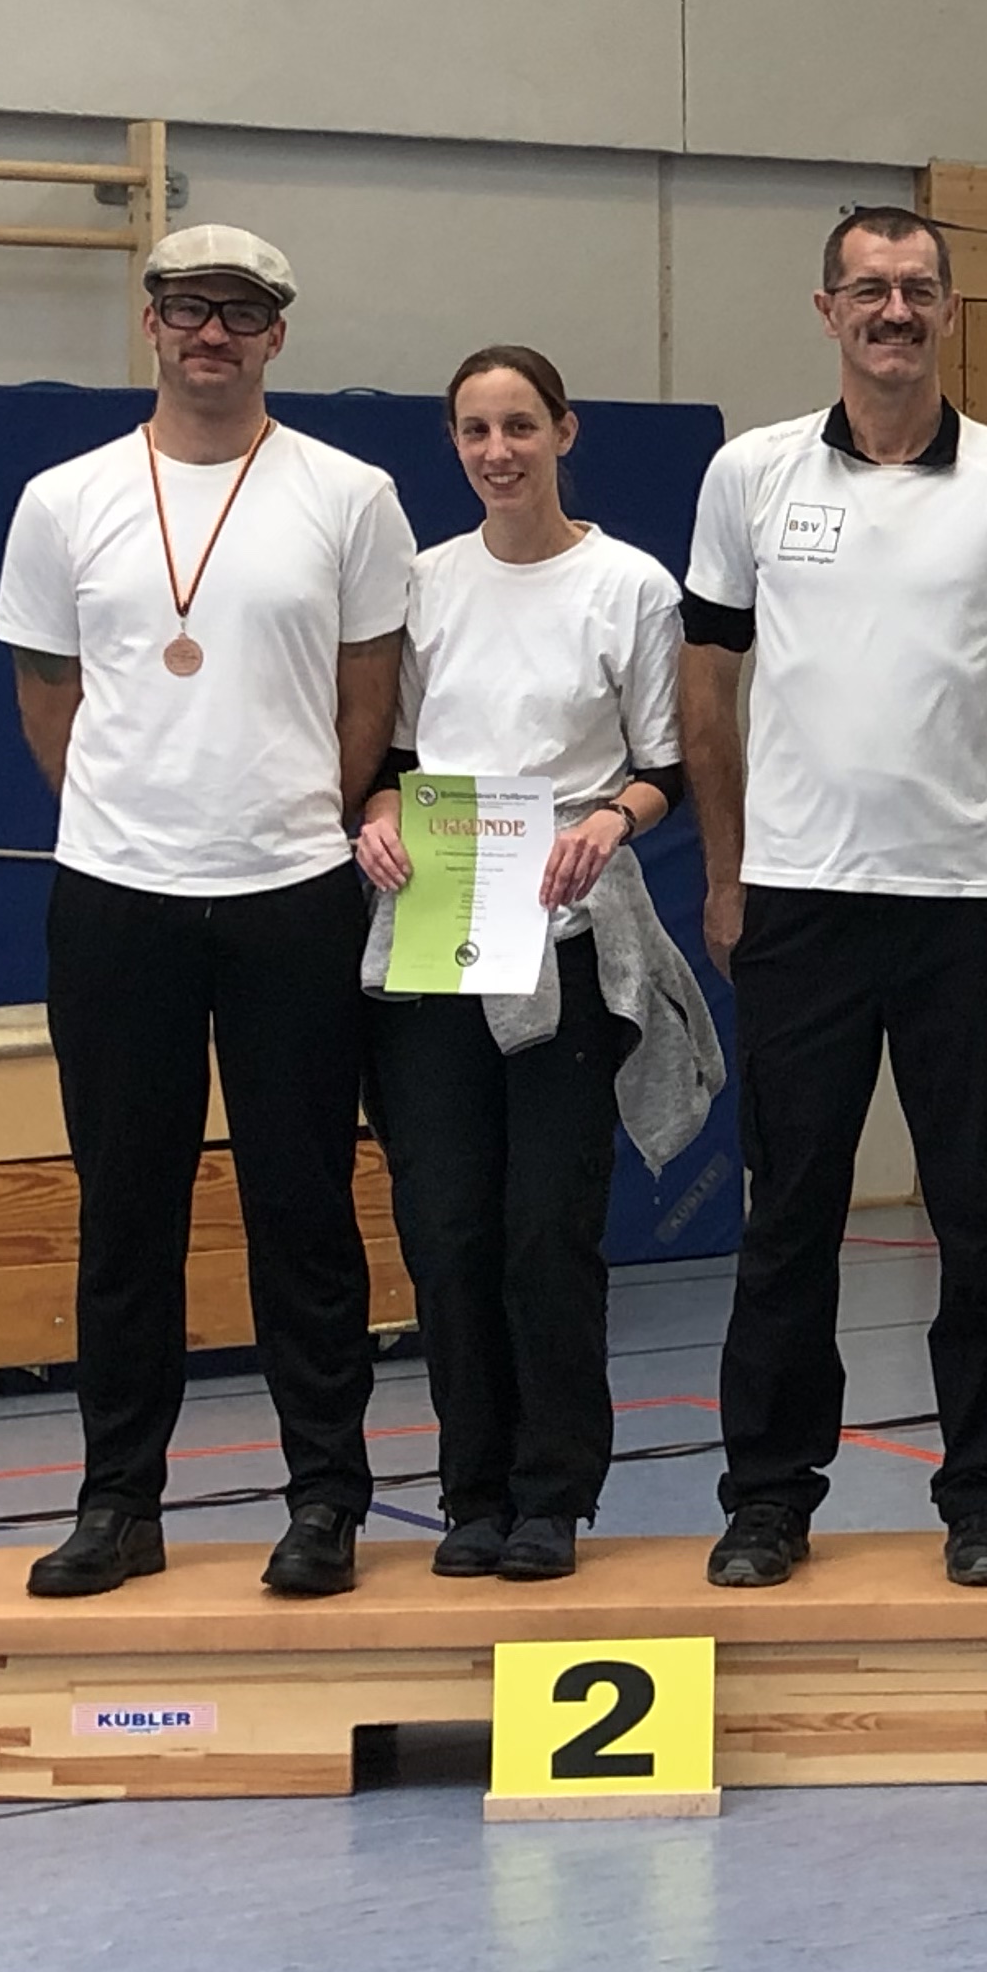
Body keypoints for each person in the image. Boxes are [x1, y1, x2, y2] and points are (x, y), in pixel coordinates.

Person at [0, 225, 414, 1599]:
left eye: (240, 311)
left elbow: (368, 694)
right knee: (126, 1213)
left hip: (293, 893)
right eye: (188, 308)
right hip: (117, 900)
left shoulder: (350, 496)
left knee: (304, 1208)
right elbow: (48, 696)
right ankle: (119, 1503)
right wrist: (132, 821)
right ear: (154, 323)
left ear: (277, 333)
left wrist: (289, 819)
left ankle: (327, 1500)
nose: (213, 333)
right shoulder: (64, 500)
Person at [681, 207, 987, 1590]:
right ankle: (767, 1498)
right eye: (870, 289)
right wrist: (726, 869)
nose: (894, 310)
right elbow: (708, 680)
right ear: (828, 310)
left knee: (980, 1213)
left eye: (918, 288)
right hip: (799, 902)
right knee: (789, 1212)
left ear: (951, 311)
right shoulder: (749, 475)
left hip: (965, 905)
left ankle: (982, 1498)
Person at [356, 346, 718, 1584]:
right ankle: (472, 1491)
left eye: (520, 426)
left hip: (567, 931)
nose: (497, 451)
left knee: (544, 1232)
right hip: (437, 928)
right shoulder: (425, 582)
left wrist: (612, 820)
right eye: (475, 430)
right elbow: (390, 755)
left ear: (564, 432)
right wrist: (380, 817)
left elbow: (664, 767)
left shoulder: (630, 585)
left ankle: (552, 1495)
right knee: (446, 1227)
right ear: (454, 444)